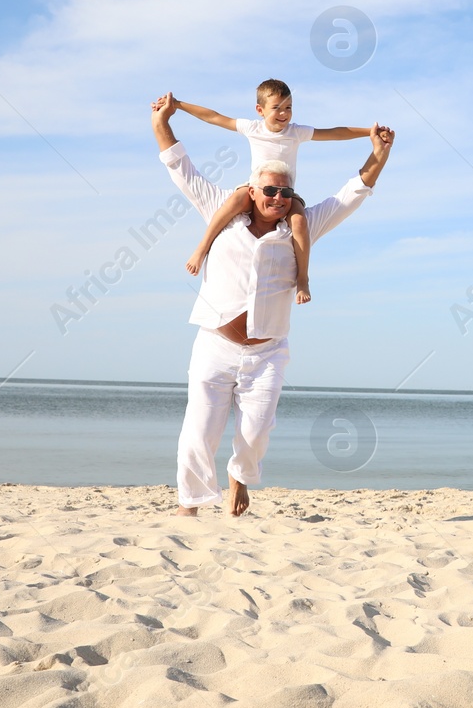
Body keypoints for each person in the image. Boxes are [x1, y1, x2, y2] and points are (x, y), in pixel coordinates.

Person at [151, 92, 394, 517]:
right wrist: (162, 124)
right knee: (198, 432)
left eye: (285, 192)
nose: (277, 197)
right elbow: (181, 169)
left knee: (257, 431)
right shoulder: (222, 214)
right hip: (215, 345)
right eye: (269, 190)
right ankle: (189, 506)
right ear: (252, 189)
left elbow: (352, 194)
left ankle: (238, 478)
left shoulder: (302, 227)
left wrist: (379, 155)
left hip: (267, 352)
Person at [175, 80, 372, 303]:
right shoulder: (253, 128)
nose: (283, 114)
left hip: (286, 194)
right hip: (256, 189)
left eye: (288, 108)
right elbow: (214, 117)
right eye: (276, 108)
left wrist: (369, 132)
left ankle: (303, 278)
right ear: (260, 110)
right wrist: (179, 104)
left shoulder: (296, 132)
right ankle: (201, 249)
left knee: (299, 223)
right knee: (232, 203)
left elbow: (335, 133)